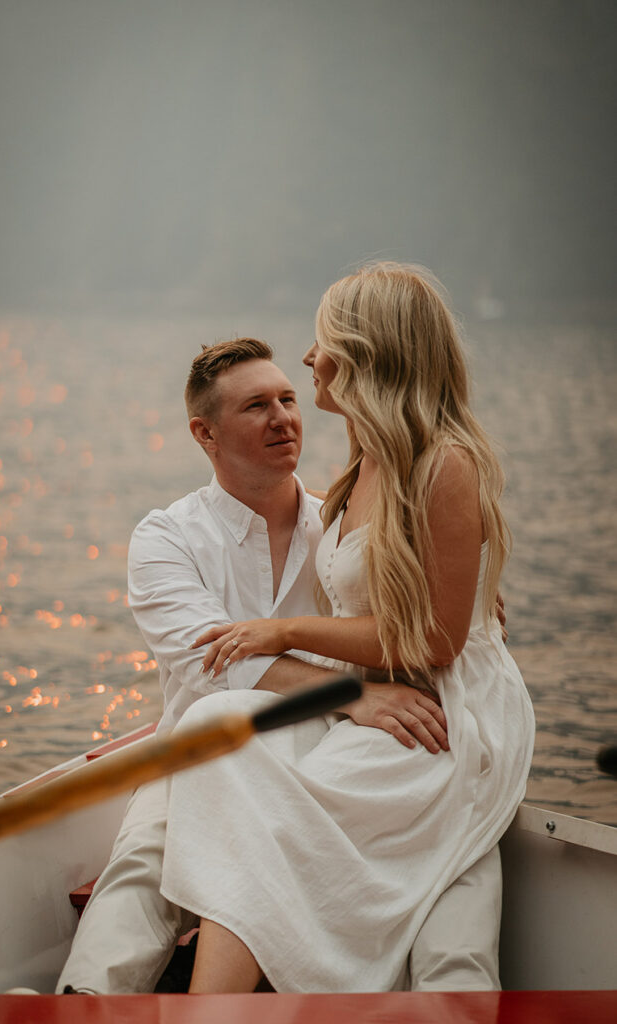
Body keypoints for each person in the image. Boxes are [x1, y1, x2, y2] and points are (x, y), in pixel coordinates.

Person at [56, 333, 507, 994]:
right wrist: (347, 693)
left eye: (288, 399)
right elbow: (219, 666)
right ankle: (82, 1006)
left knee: (452, 851)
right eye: (256, 407)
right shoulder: (167, 539)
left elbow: (424, 614)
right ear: (204, 433)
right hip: (207, 755)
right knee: (147, 853)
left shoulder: (346, 530)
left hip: (337, 750)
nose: (283, 418)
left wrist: (466, 587)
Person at [157, 264, 535, 993]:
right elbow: (391, 598)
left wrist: (277, 631)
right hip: (384, 691)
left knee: (273, 824)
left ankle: (215, 1003)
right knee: (216, 729)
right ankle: (222, 998)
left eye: (324, 340)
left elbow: (435, 643)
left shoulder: (444, 464)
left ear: (367, 353)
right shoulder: (366, 462)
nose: (309, 357)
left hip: (448, 713)